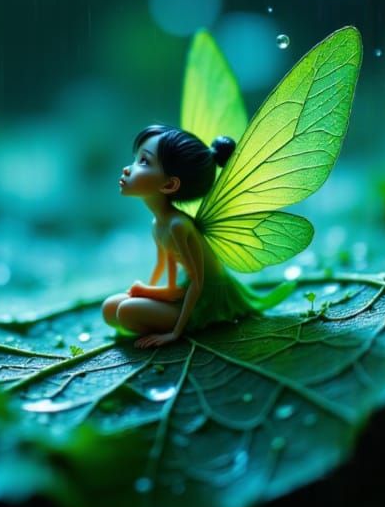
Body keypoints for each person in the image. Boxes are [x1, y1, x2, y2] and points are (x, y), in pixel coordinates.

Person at [102, 124, 296, 349]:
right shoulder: (159, 224)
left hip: (203, 302)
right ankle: (152, 315)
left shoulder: (178, 226)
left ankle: (172, 323)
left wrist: (174, 333)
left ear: (169, 184)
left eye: (144, 161)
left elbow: (196, 284)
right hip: (181, 293)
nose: (127, 169)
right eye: (135, 159)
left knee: (125, 312)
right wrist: (146, 292)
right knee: (110, 309)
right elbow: (167, 277)